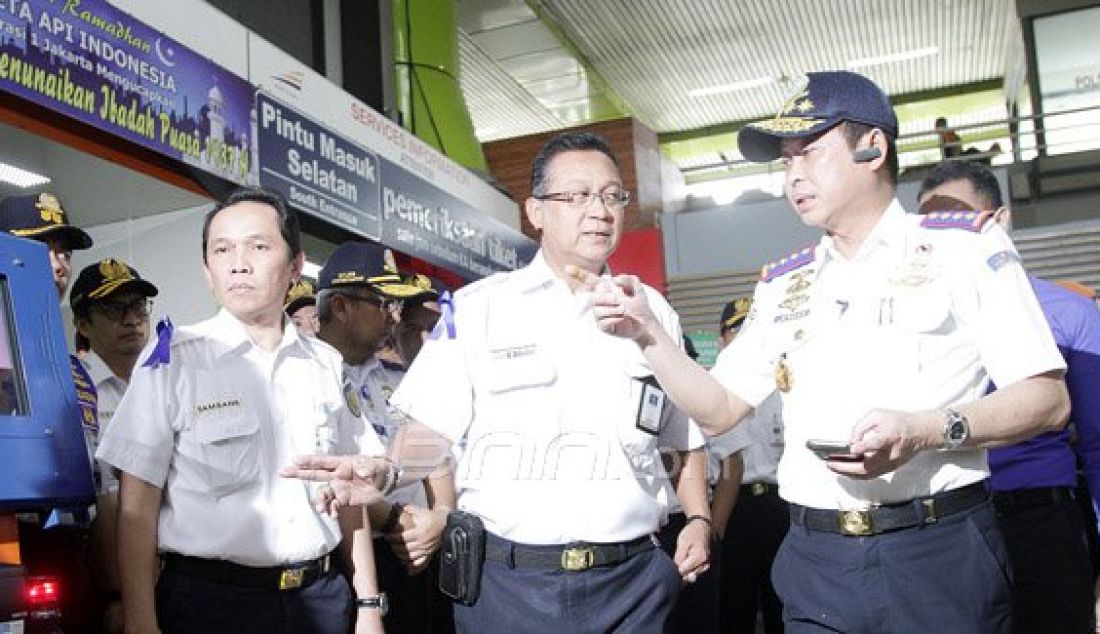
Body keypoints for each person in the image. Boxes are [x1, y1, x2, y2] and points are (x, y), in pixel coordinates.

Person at [574, 71, 1069, 632]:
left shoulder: (964, 250)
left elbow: (1047, 399)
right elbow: (718, 408)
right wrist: (648, 337)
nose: (793, 176)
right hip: (815, 560)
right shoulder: (785, 284)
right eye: (785, 161)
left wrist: (926, 430)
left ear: (872, 147)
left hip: (936, 554)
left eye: (809, 152)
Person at [283, 131, 712, 633]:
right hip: (513, 591)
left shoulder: (651, 309)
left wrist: (699, 518)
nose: (598, 210)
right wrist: (385, 472)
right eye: (576, 196)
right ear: (535, 211)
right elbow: (431, 430)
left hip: (635, 584)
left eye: (611, 195)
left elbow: (684, 434)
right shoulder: (478, 308)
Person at [95, 188, 385, 634]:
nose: (239, 263)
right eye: (222, 249)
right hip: (211, 606)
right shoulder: (174, 360)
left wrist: (368, 603)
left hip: (322, 598)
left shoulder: (325, 364)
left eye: (259, 246)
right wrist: (141, 620)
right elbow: (137, 506)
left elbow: (349, 493)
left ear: (293, 265)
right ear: (207, 271)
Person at [917, 160, 1100, 633]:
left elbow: (1098, 445)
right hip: (947, 531)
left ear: (998, 221)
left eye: (956, 218)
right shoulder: (913, 326)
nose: (942, 236)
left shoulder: (1069, 315)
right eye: (929, 223)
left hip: (1042, 523)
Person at [315, 241, 453, 634]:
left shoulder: (400, 381)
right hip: (349, 559)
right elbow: (325, 472)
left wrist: (439, 519)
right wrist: (397, 518)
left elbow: (435, 454)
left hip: (417, 553)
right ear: (340, 307)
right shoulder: (307, 377)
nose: (393, 316)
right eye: (383, 303)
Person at [0, 191, 102, 630]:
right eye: (43, 248)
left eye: (64, 252)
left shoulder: (70, 368)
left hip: (64, 542)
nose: (59, 265)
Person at [70, 257, 160, 632]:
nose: (131, 318)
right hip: (103, 570)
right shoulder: (74, 394)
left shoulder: (166, 384)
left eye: (138, 305)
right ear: (83, 324)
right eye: (113, 308)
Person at [710, 297, 787, 634]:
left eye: (748, 329)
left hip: (779, 506)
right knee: (734, 604)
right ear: (721, 339)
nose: (741, 335)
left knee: (782, 600)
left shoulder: (783, 388)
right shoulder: (709, 389)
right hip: (732, 507)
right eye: (734, 328)